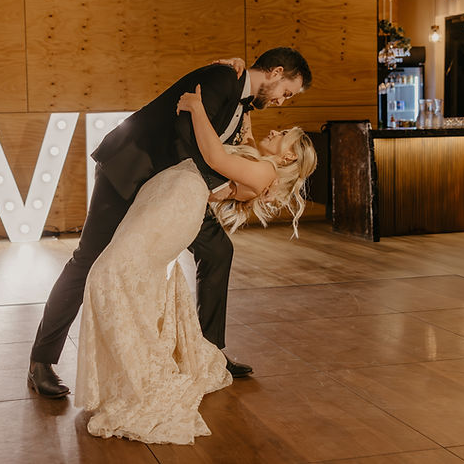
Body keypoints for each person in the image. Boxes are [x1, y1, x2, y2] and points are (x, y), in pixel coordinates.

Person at [28, 48, 313, 399]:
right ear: (276, 72)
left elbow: (239, 153)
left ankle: (208, 354)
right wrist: (224, 187)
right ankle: (41, 361)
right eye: (287, 92)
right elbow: (186, 133)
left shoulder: (244, 105)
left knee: (218, 251)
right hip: (131, 171)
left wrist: (262, 185)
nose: (283, 101)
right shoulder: (223, 78)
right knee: (88, 260)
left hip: (174, 189)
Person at [74, 86, 317, 444]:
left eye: (284, 136)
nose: (276, 131)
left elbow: (216, 158)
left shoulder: (264, 173)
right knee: (125, 277)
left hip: (178, 201)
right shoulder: (260, 164)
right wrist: (244, 101)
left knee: (110, 274)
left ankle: (140, 376)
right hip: (163, 194)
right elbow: (243, 142)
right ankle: (128, 374)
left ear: (288, 157)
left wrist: (196, 105)